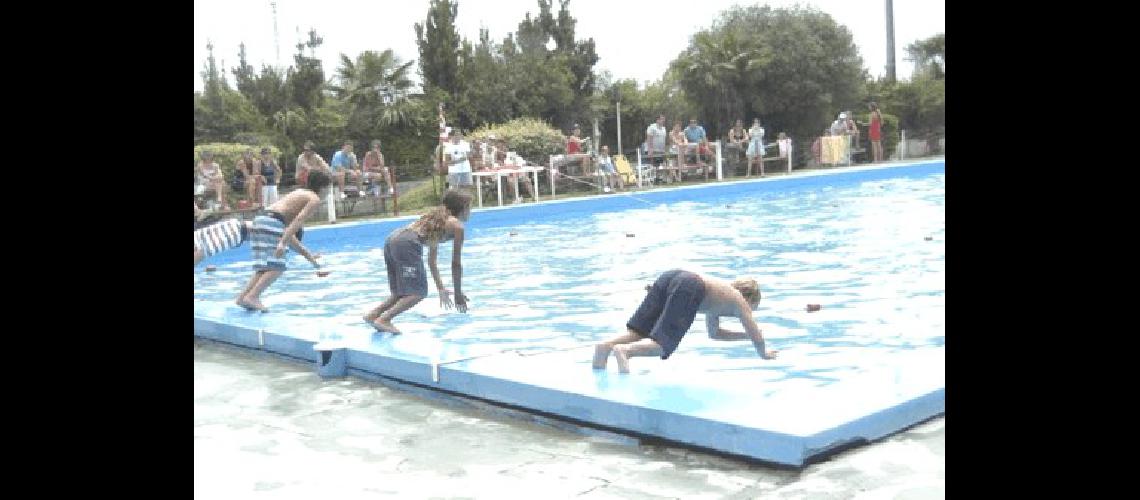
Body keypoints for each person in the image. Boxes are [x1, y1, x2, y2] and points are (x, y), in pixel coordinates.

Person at [592, 270, 778, 373]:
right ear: (751, 300)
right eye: (753, 308)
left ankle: (604, 348)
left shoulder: (720, 296)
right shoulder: (739, 301)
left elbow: (714, 334)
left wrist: (745, 336)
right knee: (663, 344)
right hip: (689, 284)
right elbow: (758, 337)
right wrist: (764, 353)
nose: (748, 313)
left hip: (671, 277)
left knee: (640, 332)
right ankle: (625, 352)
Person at [362, 189, 473, 334]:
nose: (471, 211)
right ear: (463, 208)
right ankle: (385, 319)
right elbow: (456, 264)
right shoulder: (457, 226)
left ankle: (373, 314)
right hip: (407, 243)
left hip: (393, 240)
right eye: (470, 207)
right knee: (418, 293)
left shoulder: (437, 219)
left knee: (399, 292)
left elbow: (432, 261)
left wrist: (441, 288)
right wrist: (458, 293)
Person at [234, 170, 330, 312]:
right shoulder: (314, 198)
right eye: (328, 188)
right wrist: (282, 243)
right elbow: (298, 221)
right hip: (272, 222)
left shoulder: (299, 193)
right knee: (278, 266)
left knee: (265, 267)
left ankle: (243, 297)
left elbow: (289, 234)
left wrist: (311, 259)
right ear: (323, 187)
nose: (328, 192)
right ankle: (253, 296)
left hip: (260, 219)